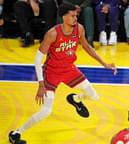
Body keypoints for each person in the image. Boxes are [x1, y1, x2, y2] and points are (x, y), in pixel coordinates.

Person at [8, 3, 117, 144]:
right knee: (46, 111)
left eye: (76, 15)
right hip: (51, 73)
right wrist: (41, 84)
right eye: (72, 16)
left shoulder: (79, 29)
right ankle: (16, 134)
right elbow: (37, 60)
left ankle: (75, 99)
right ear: (63, 17)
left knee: (94, 96)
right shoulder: (52, 33)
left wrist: (104, 63)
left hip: (69, 69)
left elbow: (87, 47)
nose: (75, 18)